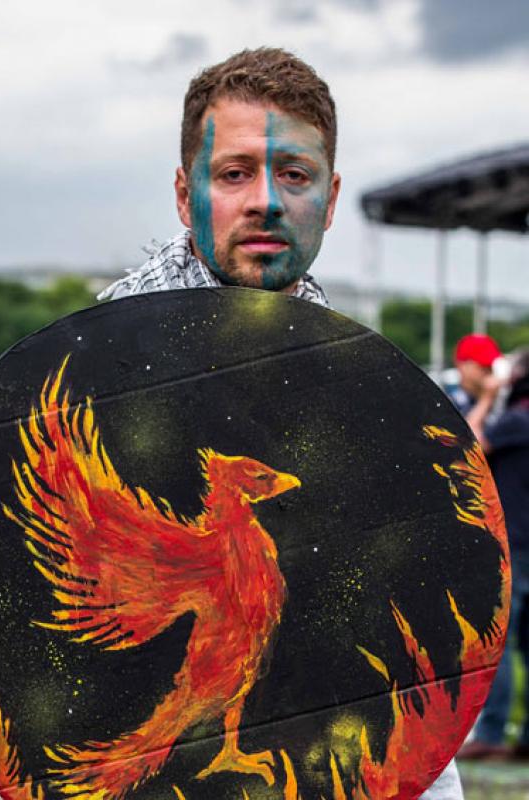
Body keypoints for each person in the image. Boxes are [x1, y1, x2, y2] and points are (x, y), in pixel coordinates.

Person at [99, 47, 463, 800]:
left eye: (293, 175)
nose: (265, 200)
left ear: (329, 201)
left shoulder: (361, 385)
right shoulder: (96, 375)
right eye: (233, 174)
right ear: (184, 194)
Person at [458, 350, 529, 760]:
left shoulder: (518, 419)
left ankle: (493, 731)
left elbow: (469, 444)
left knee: (499, 643)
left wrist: (487, 398)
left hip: (517, 545)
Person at [449, 333, 503, 417]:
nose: (488, 369)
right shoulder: (450, 405)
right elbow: (468, 429)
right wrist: (486, 399)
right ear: (461, 365)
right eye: (482, 365)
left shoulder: (500, 401)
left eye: (490, 364)